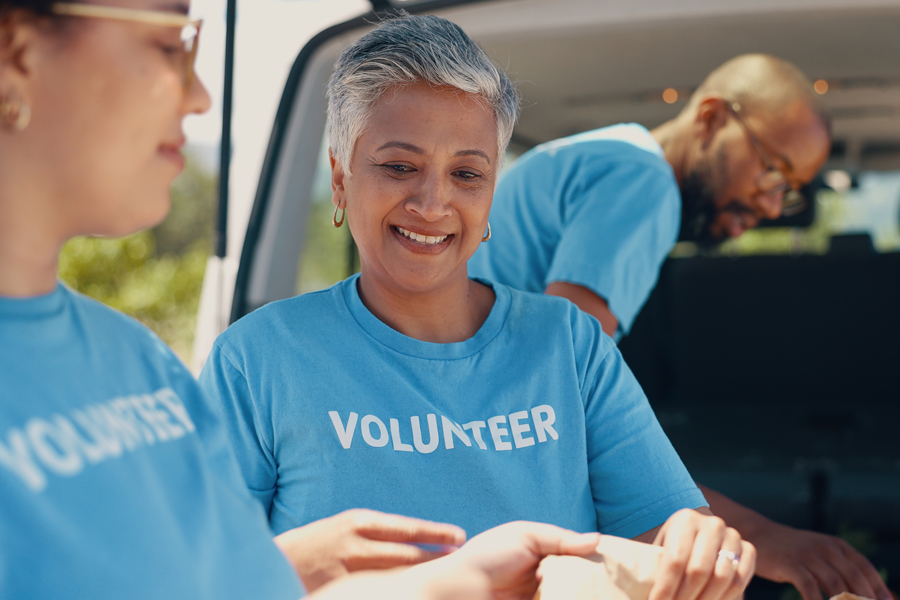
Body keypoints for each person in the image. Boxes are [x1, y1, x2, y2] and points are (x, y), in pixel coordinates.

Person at [0, 2, 644, 598]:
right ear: (16, 51)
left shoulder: (140, 365)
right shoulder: (252, 357)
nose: (199, 95)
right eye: (171, 46)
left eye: (469, 173)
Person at [199, 13, 755, 600]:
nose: (433, 203)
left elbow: (660, 540)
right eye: (398, 167)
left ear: (492, 192)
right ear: (340, 179)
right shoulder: (256, 358)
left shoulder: (568, 344)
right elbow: (192, 574)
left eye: (467, 173)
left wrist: (696, 545)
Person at [467, 55, 891, 600]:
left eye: (788, 191)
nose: (769, 204)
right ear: (712, 118)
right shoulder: (644, 184)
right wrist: (760, 536)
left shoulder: (609, 153)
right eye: (771, 170)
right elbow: (567, 405)